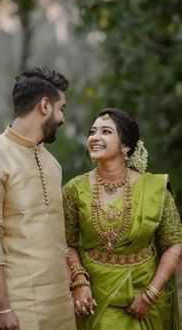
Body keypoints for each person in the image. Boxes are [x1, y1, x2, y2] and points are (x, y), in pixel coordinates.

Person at [0, 67, 76, 330]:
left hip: (59, 302)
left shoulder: (53, 164)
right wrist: (2, 306)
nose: (62, 119)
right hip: (16, 302)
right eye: (62, 109)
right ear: (45, 106)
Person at [63, 108, 182, 330]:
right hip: (95, 296)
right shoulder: (74, 189)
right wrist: (79, 282)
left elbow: (174, 244)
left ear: (125, 146)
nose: (95, 137)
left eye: (105, 131)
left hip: (145, 293)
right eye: (92, 132)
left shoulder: (155, 189)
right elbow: (66, 243)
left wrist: (151, 294)